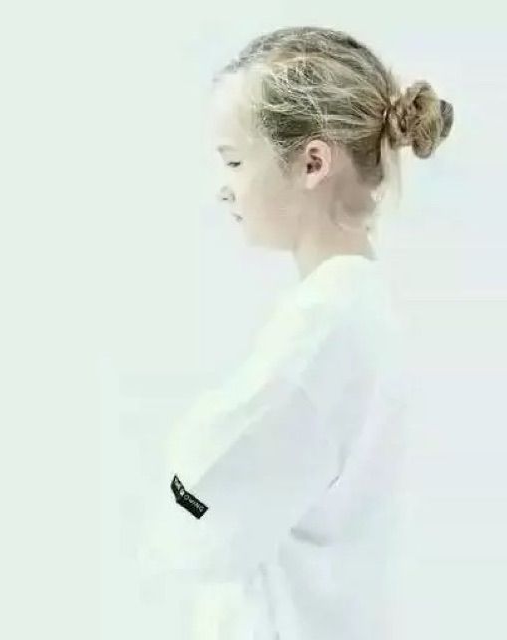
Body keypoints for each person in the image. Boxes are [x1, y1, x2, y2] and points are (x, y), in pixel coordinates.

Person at [137, 25, 454, 639]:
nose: (223, 185)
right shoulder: (359, 310)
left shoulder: (323, 331)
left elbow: (195, 531)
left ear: (313, 162)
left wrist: (176, 476)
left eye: (234, 160)